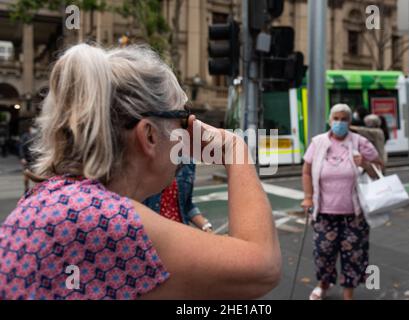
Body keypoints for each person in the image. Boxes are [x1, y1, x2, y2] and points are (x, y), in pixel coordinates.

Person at [0, 44, 281, 300]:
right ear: (149, 135)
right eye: (183, 119)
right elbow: (262, 267)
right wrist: (234, 147)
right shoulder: (103, 219)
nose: (189, 132)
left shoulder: (56, 200)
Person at [301, 104, 382, 300]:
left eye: (344, 119)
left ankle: (348, 295)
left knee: (354, 256)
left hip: (354, 215)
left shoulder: (360, 142)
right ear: (330, 120)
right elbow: (306, 170)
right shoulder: (318, 142)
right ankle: (322, 285)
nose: (339, 122)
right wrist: (308, 197)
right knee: (323, 254)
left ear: (350, 121)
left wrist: (364, 164)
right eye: (336, 118)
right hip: (324, 213)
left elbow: (379, 170)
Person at [143, 163, 213, 232]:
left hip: (181, 232)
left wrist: (205, 226)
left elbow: (187, 205)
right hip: (154, 234)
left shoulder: (188, 163)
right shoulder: (148, 159)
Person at [19, 124, 38, 192]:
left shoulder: (37, 136)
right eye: (33, 128)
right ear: (29, 128)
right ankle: (26, 188)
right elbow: (21, 147)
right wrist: (22, 157)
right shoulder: (25, 136)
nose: (34, 130)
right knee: (26, 176)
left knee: (36, 175)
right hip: (27, 159)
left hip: (35, 159)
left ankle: (36, 189)